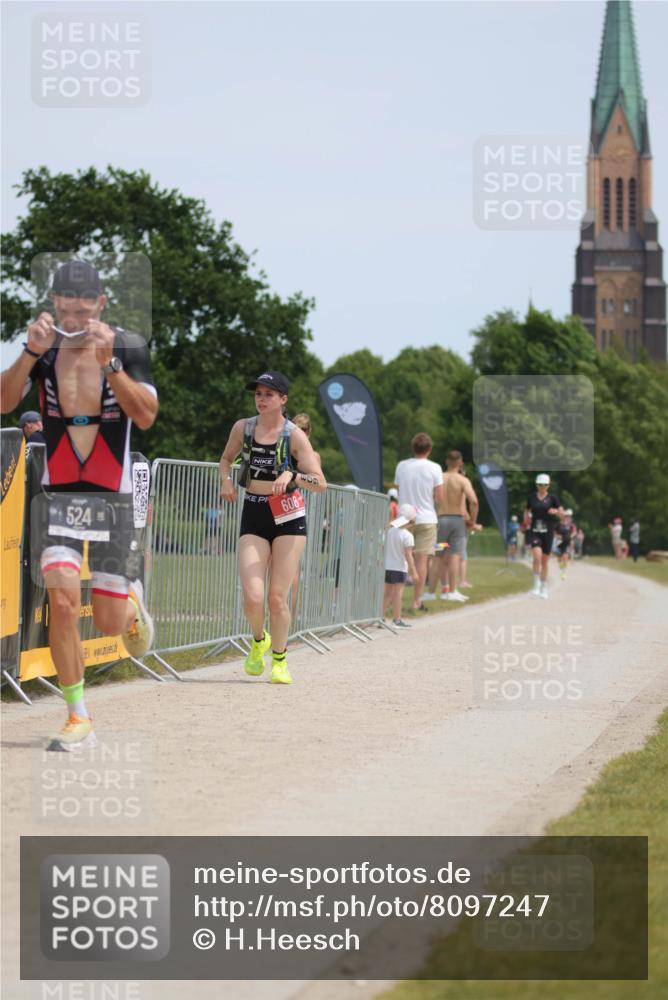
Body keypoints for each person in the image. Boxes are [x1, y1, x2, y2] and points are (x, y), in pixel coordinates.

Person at [0, 260, 157, 751]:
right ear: (55, 303)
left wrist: (111, 364)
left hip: (112, 497)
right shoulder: (43, 352)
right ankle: (77, 715)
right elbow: (6, 400)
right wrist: (28, 352)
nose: (73, 314)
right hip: (60, 497)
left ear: (100, 303)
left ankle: (128, 601)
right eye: (65, 305)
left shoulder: (128, 346)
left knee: (108, 623)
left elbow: (146, 415)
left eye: (83, 305)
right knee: (64, 603)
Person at [219, 371, 326, 685]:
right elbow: (226, 459)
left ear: (283, 400)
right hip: (254, 510)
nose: (261, 398)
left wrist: (293, 477)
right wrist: (225, 480)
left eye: (268, 394)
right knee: (253, 596)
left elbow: (320, 484)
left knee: (277, 597)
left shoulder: (294, 436)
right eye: (258, 393)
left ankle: (279, 660)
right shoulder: (244, 427)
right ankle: (258, 639)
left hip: (288, 517)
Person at [394, 433, 443, 611]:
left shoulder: (402, 466)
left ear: (413, 448)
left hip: (404, 517)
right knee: (422, 561)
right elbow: (439, 497)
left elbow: (399, 491)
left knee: (399, 559)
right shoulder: (435, 468)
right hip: (426, 517)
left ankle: (394, 599)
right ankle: (416, 601)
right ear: (429, 449)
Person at [425, 450, 479, 602]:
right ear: (460, 463)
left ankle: (430, 593)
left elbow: (430, 498)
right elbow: (474, 501)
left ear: (446, 462)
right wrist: (473, 521)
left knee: (437, 556)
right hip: (457, 522)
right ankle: (452, 591)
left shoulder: (438, 478)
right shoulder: (462, 480)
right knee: (455, 555)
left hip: (440, 520)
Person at [290, 412, 320, 618]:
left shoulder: (280, 450)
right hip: (297, 510)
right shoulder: (312, 455)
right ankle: (290, 613)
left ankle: (280, 612)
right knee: (292, 567)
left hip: (278, 504)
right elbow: (318, 482)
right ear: (308, 432)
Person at [524, 473, 563, 599]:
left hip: (548, 532)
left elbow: (562, 514)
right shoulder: (531, 498)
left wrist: (556, 511)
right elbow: (527, 510)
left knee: (545, 562)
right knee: (537, 557)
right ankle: (535, 585)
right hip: (535, 530)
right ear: (536, 485)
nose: (542, 487)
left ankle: (544, 587)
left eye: (544, 485)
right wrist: (526, 519)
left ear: (548, 485)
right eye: (540, 485)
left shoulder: (553, 499)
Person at [383, 503, 419, 629]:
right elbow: (408, 555)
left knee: (386, 593)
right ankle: (397, 620)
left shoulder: (389, 532)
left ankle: (380, 618)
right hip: (399, 568)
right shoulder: (408, 536)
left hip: (387, 566)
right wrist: (414, 572)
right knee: (398, 593)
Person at [556, 509, 573, 580]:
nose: (567, 517)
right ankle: (561, 569)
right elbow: (554, 532)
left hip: (566, 543)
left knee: (565, 557)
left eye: (568, 516)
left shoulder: (570, 525)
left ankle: (563, 573)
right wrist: (557, 536)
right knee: (559, 559)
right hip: (559, 543)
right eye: (565, 516)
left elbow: (573, 531)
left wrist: (571, 537)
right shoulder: (558, 524)